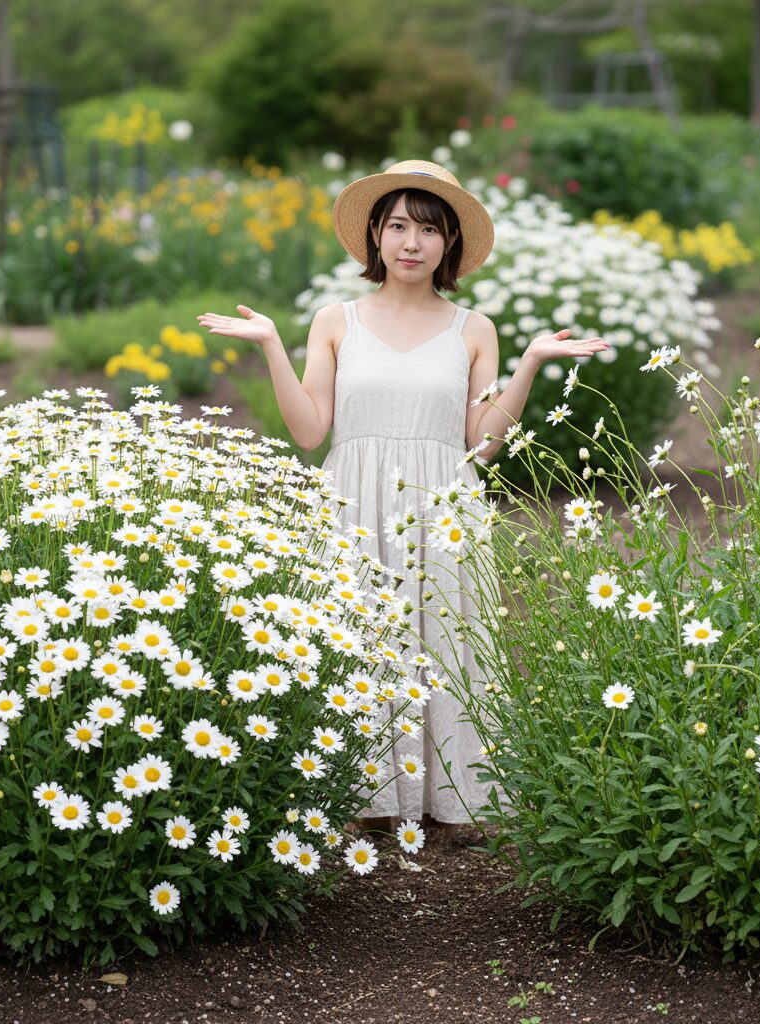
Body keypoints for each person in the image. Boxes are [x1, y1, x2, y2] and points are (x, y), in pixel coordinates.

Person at [197, 159, 609, 839]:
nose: (410, 242)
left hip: (444, 500)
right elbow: (309, 431)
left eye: (427, 229)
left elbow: (482, 448)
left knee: (445, 642)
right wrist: (271, 342)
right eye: (396, 226)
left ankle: (452, 804)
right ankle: (359, 797)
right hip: (354, 497)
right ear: (374, 237)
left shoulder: (473, 328)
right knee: (359, 642)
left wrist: (529, 362)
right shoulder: (338, 320)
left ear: (449, 244)